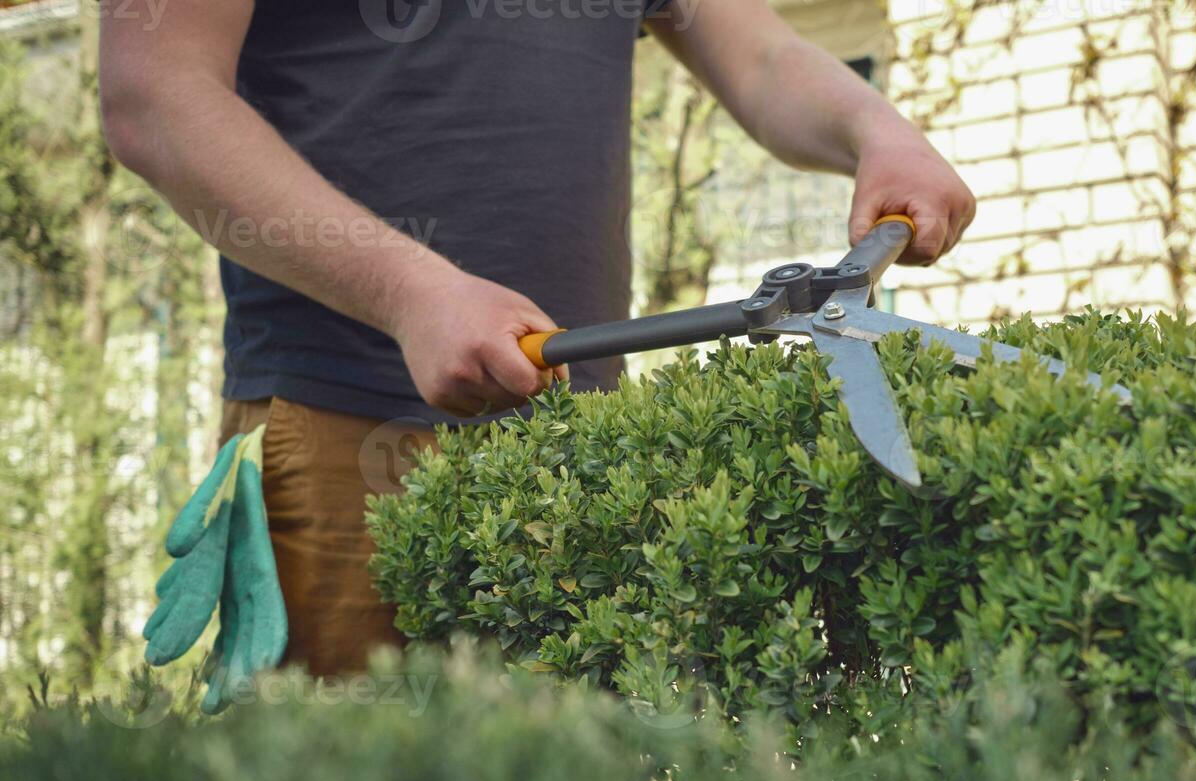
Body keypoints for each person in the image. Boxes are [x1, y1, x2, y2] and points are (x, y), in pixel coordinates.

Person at [100, 0, 976, 677]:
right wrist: (413, 294)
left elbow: (762, 55)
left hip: (580, 455)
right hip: (340, 438)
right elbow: (154, 93)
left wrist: (877, 130)